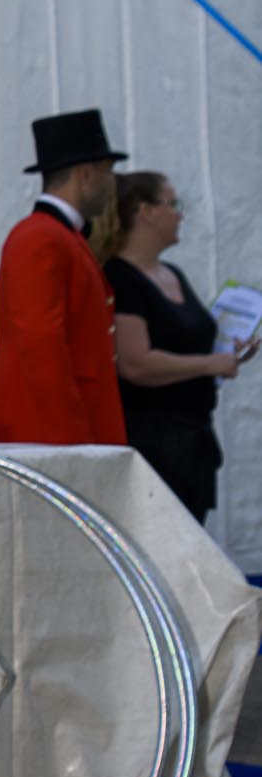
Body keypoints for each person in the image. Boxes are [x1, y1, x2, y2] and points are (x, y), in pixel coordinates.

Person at [101, 171, 255, 519]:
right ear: (146, 212)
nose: (180, 214)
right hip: (153, 442)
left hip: (193, 439)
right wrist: (209, 365)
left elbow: (187, 346)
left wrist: (228, 354)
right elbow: (135, 363)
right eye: (173, 204)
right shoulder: (121, 277)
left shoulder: (171, 273)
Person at [0, 110, 128, 445]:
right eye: (107, 173)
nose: (112, 184)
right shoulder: (41, 238)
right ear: (85, 174)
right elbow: (41, 344)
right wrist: (74, 442)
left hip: (62, 429)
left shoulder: (61, 236)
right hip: (48, 432)